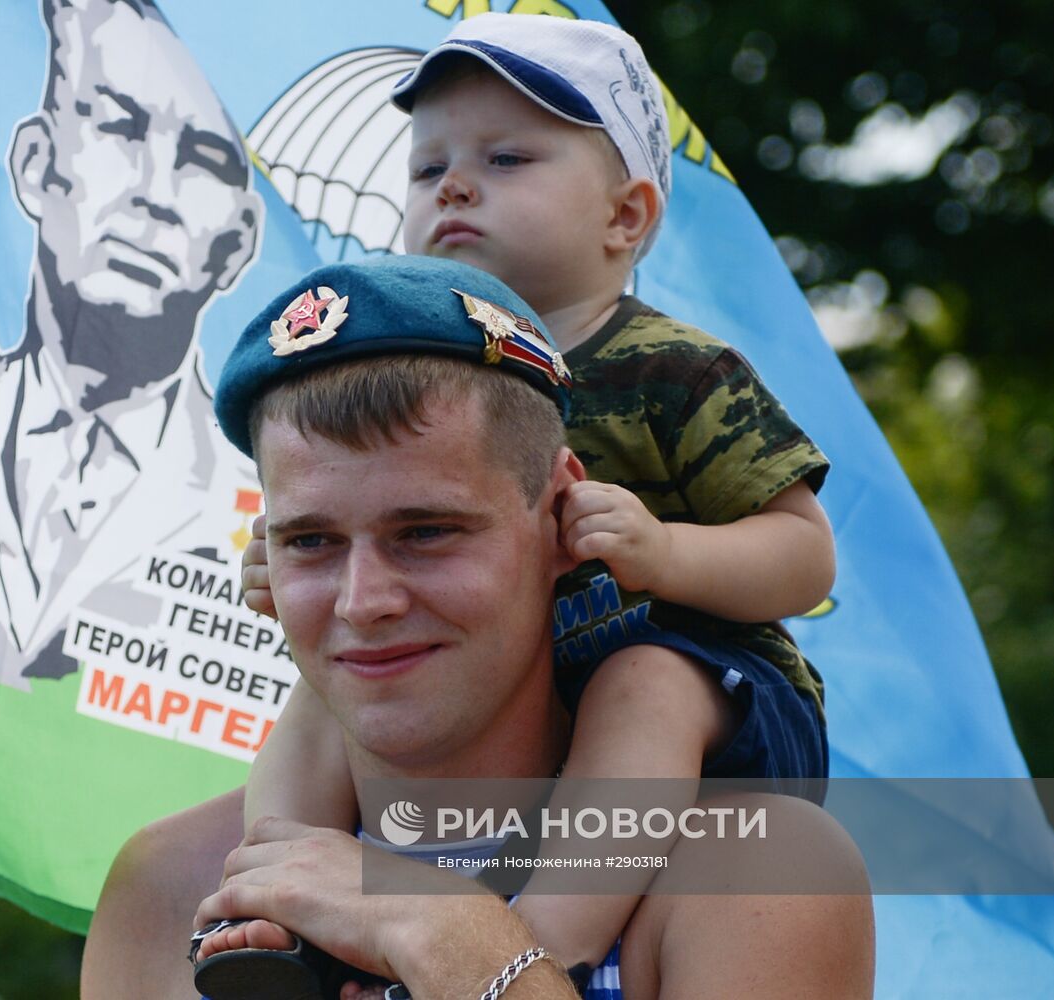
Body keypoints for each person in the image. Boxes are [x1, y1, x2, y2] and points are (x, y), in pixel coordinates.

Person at [80, 254, 873, 999]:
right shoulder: (171, 881)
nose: (363, 601)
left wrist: (451, 937)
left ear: (559, 515)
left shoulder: (757, 872)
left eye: (425, 532)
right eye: (310, 542)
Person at [234, 12, 836, 974]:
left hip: (704, 696)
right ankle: (269, 913)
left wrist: (664, 553)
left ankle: (547, 939)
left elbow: (805, 557)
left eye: (508, 159)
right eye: (429, 170)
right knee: (322, 695)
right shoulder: (413, 385)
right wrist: (282, 558)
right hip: (518, 697)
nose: (456, 185)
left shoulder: (673, 368)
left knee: (641, 682)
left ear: (624, 216)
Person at [0, 0, 262, 688]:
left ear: (237, 245)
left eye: (202, 159)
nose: (154, 193)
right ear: (35, 164)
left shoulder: (261, 519)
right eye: (119, 126)